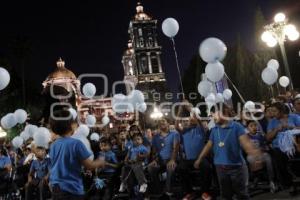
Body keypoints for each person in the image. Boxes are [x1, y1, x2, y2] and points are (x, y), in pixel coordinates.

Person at [194, 103, 261, 200]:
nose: (212, 117)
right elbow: (208, 145)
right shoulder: (214, 130)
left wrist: (255, 156)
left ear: (224, 112)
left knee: (242, 194)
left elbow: (246, 143)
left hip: (237, 167)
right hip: (220, 168)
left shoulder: (236, 127)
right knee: (225, 195)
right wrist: (199, 159)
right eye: (211, 114)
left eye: (214, 114)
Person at [49, 110, 106, 200]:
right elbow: (89, 166)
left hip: (56, 188)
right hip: (72, 189)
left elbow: (53, 166)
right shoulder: (76, 144)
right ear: (71, 125)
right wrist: (101, 161)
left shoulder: (53, 145)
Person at [175, 100, 212, 200]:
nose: (190, 120)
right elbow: (176, 126)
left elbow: (199, 120)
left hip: (200, 158)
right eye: (188, 120)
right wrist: (179, 112)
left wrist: (190, 109)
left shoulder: (200, 129)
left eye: (192, 119)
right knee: (181, 168)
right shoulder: (184, 131)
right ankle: (189, 192)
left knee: (207, 167)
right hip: (188, 159)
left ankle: (205, 191)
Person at [266, 102, 300, 188]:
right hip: (279, 147)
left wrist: (290, 127)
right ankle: (287, 182)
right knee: (278, 155)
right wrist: (277, 129)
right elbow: (268, 138)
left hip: (295, 144)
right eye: (271, 111)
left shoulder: (294, 117)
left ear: (281, 111)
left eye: (274, 111)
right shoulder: (272, 122)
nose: (272, 113)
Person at [147, 117, 180, 196]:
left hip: (172, 158)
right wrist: (155, 160)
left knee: (170, 167)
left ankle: (168, 191)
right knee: (150, 168)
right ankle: (159, 190)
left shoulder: (174, 134)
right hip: (160, 160)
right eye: (160, 122)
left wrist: (172, 160)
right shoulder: (155, 137)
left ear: (168, 123)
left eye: (164, 121)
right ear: (158, 125)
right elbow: (154, 152)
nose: (162, 122)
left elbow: (176, 148)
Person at [246, 120, 276, 193]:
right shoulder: (246, 137)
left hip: (262, 154)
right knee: (250, 159)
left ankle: (271, 180)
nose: (254, 127)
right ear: (247, 128)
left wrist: (262, 149)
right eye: (251, 126)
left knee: (268, 158)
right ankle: (256, 178)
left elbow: (265, 145)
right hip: (252, 155)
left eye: (255, 125)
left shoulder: (261, 135)